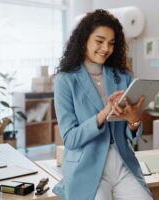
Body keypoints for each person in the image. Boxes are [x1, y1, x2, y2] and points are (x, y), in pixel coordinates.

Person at [52, 9, 152, 200]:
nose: (106, 48)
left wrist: (134, 121)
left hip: (122, 163)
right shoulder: (65, 81)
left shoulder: (124, 76)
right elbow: (70, 139)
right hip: (87, 168)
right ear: (84, 40)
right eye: (99, 41)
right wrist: (104, 113)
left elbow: (132, 133)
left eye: (112, 43)